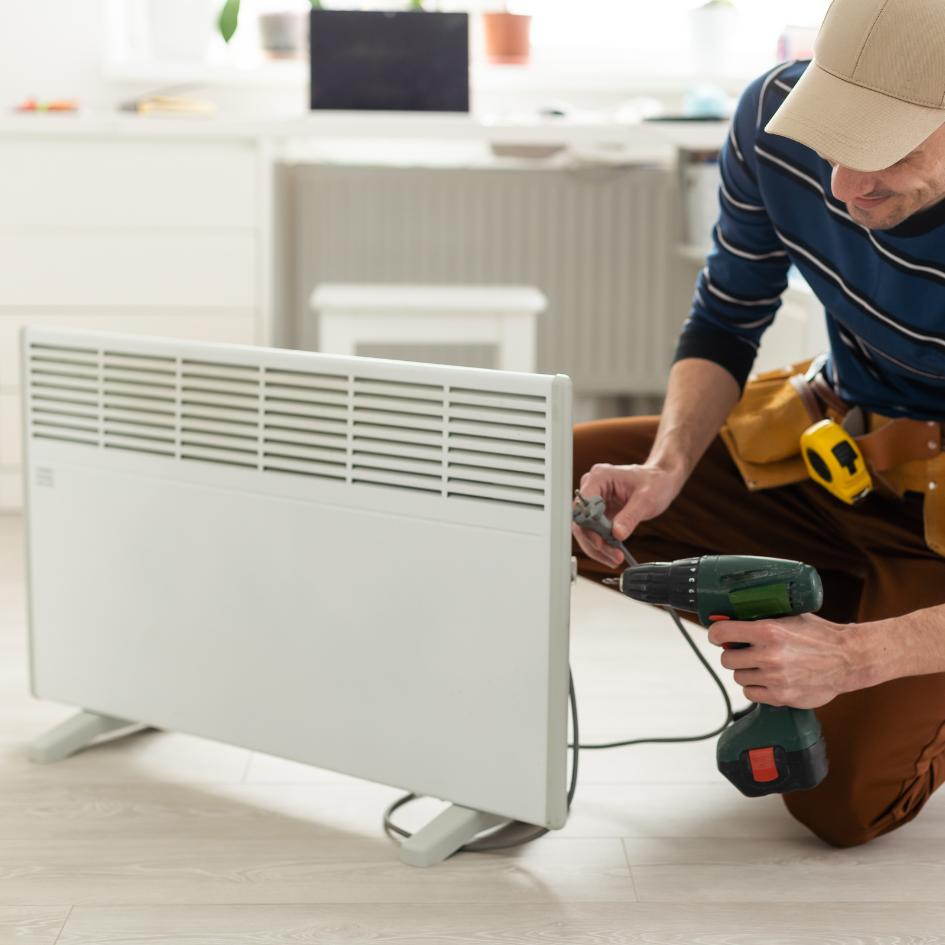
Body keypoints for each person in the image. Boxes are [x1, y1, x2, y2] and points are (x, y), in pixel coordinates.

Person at [572, 0, 945, 848]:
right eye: (833, 129)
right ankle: (846, 604)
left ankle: (884, 632)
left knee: (839, 804)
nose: (843, 185)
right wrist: (666, 467)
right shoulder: (771, 124)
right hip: (828, 462)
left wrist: (859, 660)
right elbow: (725, 317)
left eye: (885, 143)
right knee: (540, 480)